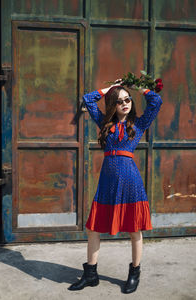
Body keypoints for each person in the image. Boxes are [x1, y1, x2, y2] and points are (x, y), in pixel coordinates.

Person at [68, 79, 163, 294]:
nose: (125, 104)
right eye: (119, 101)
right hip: (107, 181)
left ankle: (134, 272)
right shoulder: (104, 123)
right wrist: (109, 88)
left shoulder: (139, 124)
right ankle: (91, 274)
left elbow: (156, 101)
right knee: (93, 228)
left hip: (130, 181)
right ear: (113, 104)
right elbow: (88, 99)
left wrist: (138, 86)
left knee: (134, 229)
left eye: (127, 99)